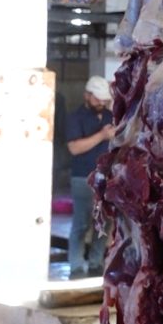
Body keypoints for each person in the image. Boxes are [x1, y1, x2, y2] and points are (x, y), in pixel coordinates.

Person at [66, 75, 114, 278]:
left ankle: (96, 263)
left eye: (104, 99)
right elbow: (75, 148)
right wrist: (102, 136)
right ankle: (76, 266)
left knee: (104, 223)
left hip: (107, 178)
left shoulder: (111, 117)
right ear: (87, 95)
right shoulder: (75, 118)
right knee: (81, 224)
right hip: (83, 178)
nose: (101, 103)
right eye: (97, 99)